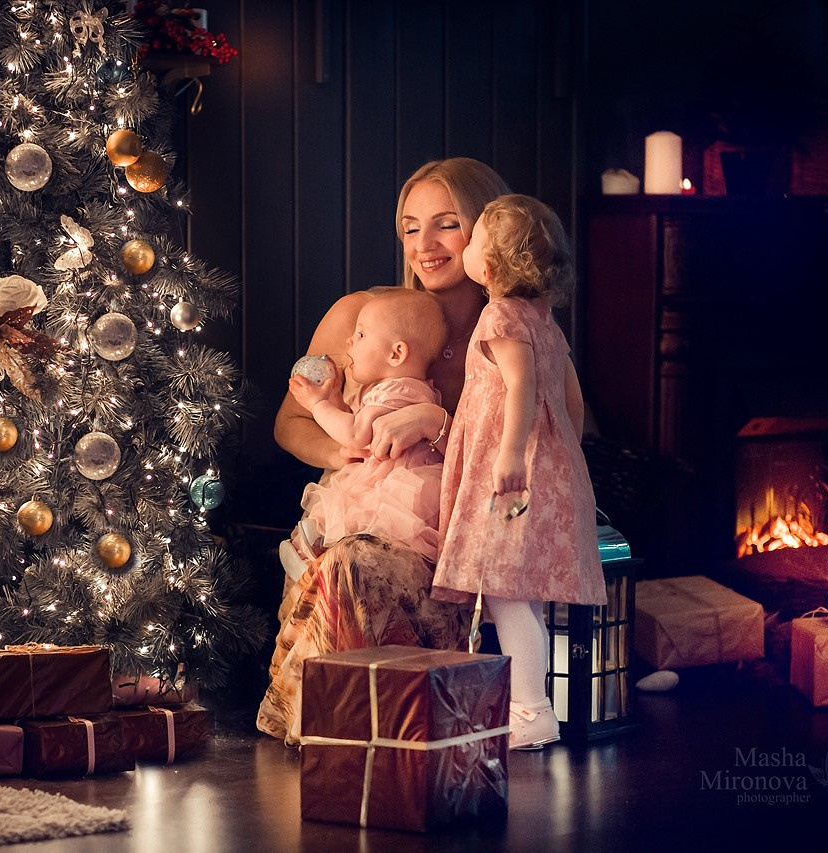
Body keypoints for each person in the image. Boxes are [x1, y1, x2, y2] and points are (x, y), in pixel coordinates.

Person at [257, 158, 511, 746]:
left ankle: (374, 731)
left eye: (447, 224)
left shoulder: (510, 332)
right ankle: (336, 733)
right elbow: (289, 418)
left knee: (361, 562)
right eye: (411, 226)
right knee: (350, 559)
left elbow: (551, 443)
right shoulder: (360, 317)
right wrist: (345, 450)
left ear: (486, 229)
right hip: (353, 518)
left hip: (447, 541)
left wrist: (437, 424)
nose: (425, 245)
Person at [433, 194, 605, 751]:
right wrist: (566, 454)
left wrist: (512, 454)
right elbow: (572, 398)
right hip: (548, 467)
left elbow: (521, 387)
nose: (468, 246)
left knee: (506, 591)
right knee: (520, 592)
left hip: (515, 471)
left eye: (476, 236)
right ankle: (528, 705)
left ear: (495, 263)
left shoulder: (501, 316)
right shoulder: (543, 319)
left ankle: (532, 709)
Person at [283, 288, 448, 573]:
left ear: (396, 353)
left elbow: (356, 435)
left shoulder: (397, 391)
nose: (349, 340)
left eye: (361, 335)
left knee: (353, 519)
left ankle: (313, 559)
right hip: (382, 476)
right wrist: (336, 400)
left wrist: (318, 404)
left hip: (390, 488)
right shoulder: (396, 389)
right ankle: (313, 555)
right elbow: (360, 428)